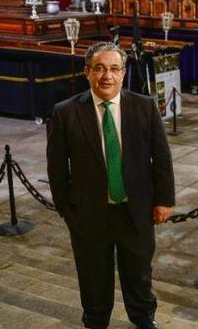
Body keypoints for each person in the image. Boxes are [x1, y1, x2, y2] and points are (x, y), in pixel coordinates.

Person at [47, 42, 174, 329]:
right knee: (93, 276)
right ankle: (95, 321)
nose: (107, 76)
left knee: (139, 273)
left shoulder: (144, 107)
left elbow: (162, 158)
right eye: (100, 68)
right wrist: (68, 212)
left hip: (136, 211)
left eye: (114, 69)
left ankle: (143, 318)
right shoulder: (65, 113)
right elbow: (56, 169)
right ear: (87, 72)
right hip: (89, 214)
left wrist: (164, 200)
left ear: (124, 73)